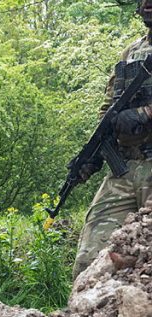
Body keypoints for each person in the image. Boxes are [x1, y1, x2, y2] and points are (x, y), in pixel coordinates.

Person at [72, 0, 152, 278]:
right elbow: (109, 109)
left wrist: (145, 112)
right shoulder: (132, 51)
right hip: (125, 169)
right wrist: (94, 154)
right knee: (90, 262)